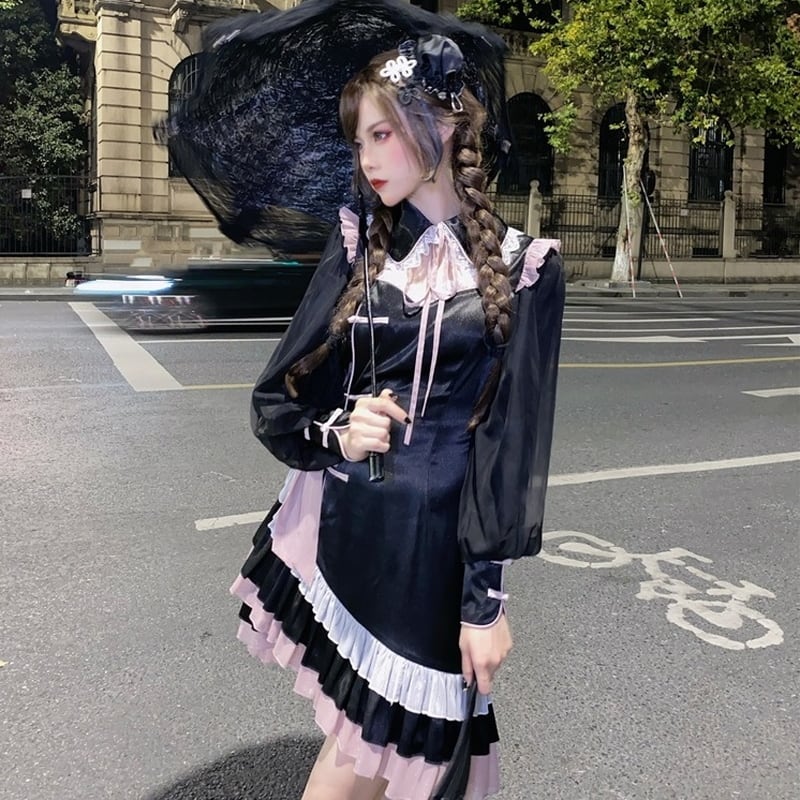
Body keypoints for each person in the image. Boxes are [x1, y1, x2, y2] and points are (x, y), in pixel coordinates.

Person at [230, 34, 565, 800]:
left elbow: (506, 451)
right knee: (359, 756)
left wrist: (485, 605)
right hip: (353, 539)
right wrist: (341, 430)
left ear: (441, 127)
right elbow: (280, 398)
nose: (367, 158)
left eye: (381, 133)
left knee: (396, 764)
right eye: (359, 141)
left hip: (435, 566)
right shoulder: (358, 244)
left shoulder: (527, 269)